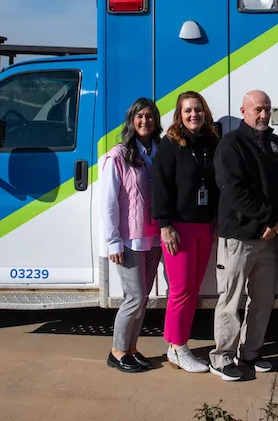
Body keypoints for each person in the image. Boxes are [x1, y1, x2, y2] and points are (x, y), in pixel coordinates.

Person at [210, 90, 278, 382]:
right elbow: (232, 190)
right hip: (239, 236)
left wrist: (276, 223)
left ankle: (251, 352)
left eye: (267, 109)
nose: (263, 114)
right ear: (243, 110)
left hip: (268, 237)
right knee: (231, 299)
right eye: (257, 109)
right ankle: (221, 357)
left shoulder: (276, 144)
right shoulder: (231, 144)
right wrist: (269, 218)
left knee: (263, 299)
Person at [152, 91, 221, 373]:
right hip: (178, 229)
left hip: (205, 226)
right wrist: (165, 225)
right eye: (188, 111)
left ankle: (175, 346)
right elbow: (160, 187)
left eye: (198, 109)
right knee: (180, 290)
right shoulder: (170, 145)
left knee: (193, 289)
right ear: (179, 115)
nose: (194, 115)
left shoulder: (211, 143)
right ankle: (178, 347)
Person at [101, 97, 163, 373]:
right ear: (131, 120)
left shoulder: (159, 151)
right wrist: (113, 240)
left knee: (143, 298)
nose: (145, 121)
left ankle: (131, 348)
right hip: (129, 239)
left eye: (150, 117)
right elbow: (109, 202)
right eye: (139, 117)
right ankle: (117, 351)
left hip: (154, 237)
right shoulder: (119, 155)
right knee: (134, 297)